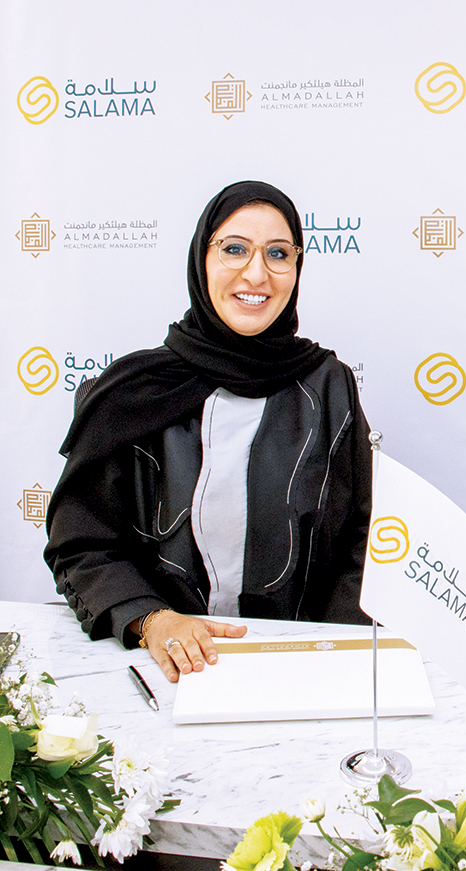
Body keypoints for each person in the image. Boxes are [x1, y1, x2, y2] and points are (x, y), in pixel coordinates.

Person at [45, 180, 372, 683]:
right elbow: (81, 544)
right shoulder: (133, 392)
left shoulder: (329, 386)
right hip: (162, 669)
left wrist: (324, 654)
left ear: (297, 267)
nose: (257, 273)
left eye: (278, 253)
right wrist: (152, 620)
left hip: (300, 671)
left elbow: (363, 538)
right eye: (235, 249)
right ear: (201, 258)